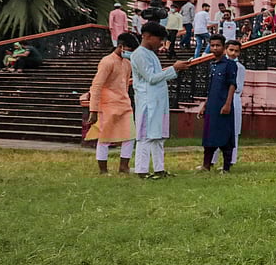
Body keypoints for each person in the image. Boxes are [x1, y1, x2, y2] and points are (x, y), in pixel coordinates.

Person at [132, 23, 188, 179]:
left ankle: (159, 169)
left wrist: (173, 70)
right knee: (145, 136)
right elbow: (151, 78)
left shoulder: (151, 54)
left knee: (158, 136)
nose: (160, 43)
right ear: (147, 36)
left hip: (158, 101)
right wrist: (173, 69)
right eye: (159, 39)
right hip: (147, 102)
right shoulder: (139, 54)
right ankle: (141, 170)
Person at [88, 32, 140, 174]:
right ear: (121, 46)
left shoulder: (127, 63)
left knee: (129, 136)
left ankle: (124, 167)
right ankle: (103, 170)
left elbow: (126, 82)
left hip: (124, 104)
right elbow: (96, 86)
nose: (131, 53)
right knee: (105, 138)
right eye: (129, 50)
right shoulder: (107, 61)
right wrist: (93, 110)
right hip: (108, 105)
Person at [196, 35, 238, 173]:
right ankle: (206, 165)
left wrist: (227, 104)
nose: (215, 48)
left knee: (225, 135)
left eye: (218, 45)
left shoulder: (230, 64)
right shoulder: (212, 64)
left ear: (223, 47)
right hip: (212, 106)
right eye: (212, 45)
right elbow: (211, 88)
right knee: (209, 134)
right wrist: (205, 105)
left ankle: (226, 167)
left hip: (223, 105)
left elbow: (232, 85)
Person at [224, 40, 246, 164]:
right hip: (221, 98)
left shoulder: (240, 68)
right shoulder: (220, 64)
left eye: (236, 51)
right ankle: (211, 159)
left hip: (235, 98)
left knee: (234, 130)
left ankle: (231, 160)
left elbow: (238, 87)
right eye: (231, 50)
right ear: (226, 50)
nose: (233, 53)